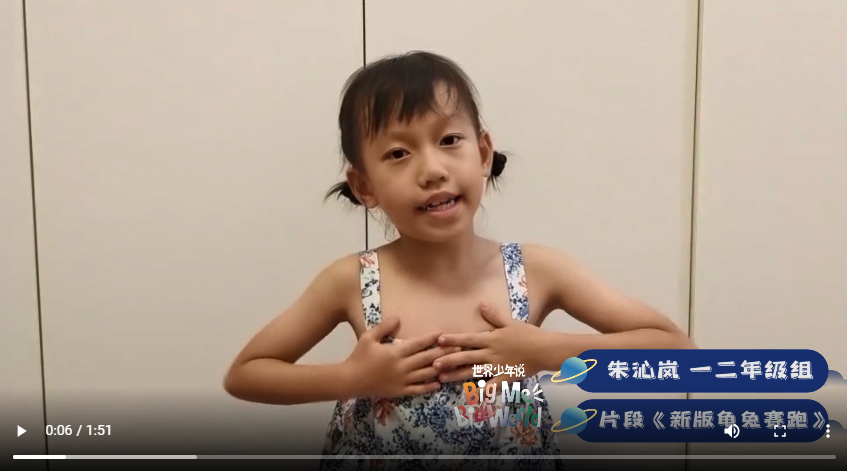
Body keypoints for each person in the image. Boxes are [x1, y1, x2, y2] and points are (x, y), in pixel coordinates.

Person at [223, 51, 695, 470]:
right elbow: (246, 374)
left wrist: (547, 352)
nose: (433, 170)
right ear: (364, 185)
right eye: (398, 153)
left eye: (449, 140)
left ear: (484, 153)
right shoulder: (351, 280)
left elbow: (675, 349)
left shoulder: (536, 271)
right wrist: (352, 377)